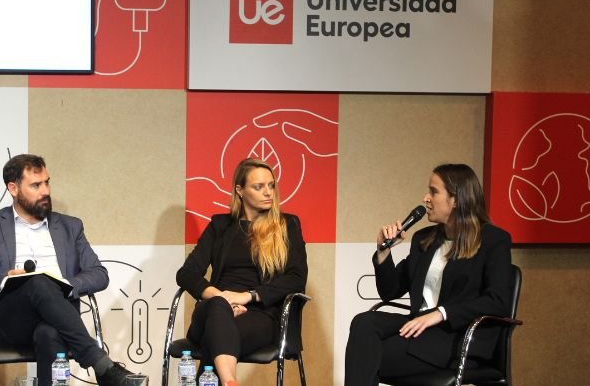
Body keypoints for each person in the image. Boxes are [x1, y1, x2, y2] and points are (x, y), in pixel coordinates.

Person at [0, 154, 134, 386]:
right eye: (36, 185)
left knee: (50, 332)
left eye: (47, 182)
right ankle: (101, 364)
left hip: (57, 319)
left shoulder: (70, 227)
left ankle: (101, 366)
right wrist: (5, 279)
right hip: (10, 321)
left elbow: (98, 274)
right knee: (36, 282)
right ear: (13, 188)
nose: (45, 191)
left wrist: (63, 285)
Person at [344, 163, 513, 385]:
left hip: (456, 336)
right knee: (364, 322)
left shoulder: (493, 240)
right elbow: (390, 291)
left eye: (434, 191)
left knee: (365, 356)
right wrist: (383, 252)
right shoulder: (425, 239)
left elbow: (498, 301)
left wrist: (441, 313)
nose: (426, 198)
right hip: (418, 328)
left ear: (457, 199)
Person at [176, 158, 308, 385]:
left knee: (214, 339)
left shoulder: (287, 226)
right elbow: (186, 274)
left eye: (271, 185)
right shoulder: (220, 225)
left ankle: (228, 381)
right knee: (217, 309)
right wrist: (223, 299)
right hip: (212, 309)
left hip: (260, 315)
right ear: (240, 190)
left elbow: (296, 278)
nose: (268, 193)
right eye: (259, 187)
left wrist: (248, 296)